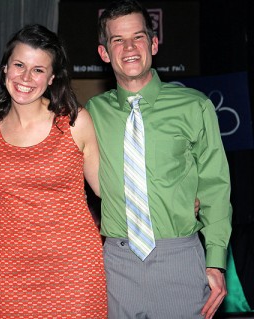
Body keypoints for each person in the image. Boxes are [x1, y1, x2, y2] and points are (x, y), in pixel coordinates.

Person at [85, 1, 232, 318]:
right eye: (117, 40)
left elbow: (215, 185)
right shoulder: (91, 113)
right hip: (116, 263)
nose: (129, 48)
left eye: (138, 37)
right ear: (104, 53)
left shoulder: (194, 106)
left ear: (153, 43)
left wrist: (216, 260)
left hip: (178, 257)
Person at [0, 24, 107, 318]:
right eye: (19, 65)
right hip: (15, 271)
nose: (26, 78)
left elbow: (109, 191)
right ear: (5, 68)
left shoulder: (75, 123)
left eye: (38, 70)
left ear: (52, 77)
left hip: (75, 268)